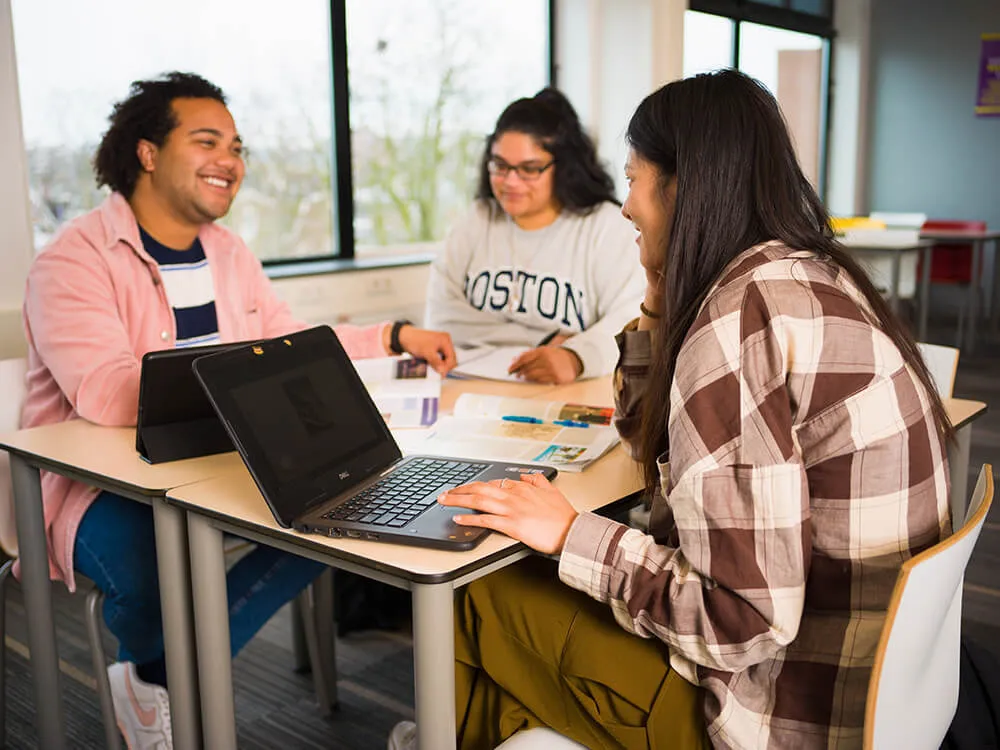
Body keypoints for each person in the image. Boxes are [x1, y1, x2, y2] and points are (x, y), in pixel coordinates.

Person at [389, 70, 953, 750]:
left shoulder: (738, 323)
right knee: (513, 660)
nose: (625, 206)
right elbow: (643, 437)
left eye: (633, 179)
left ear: (682, 186)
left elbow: (744, 620)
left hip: (773, 706)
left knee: (473, 593)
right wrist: (660, 292)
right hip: (863, 683)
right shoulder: (805, 272)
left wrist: (572, 534)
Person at [19, 71, 456, 750]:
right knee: (149, 578)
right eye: (207, 140)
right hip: (99, 482)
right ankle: (167, 673)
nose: (232, 160)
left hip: (216, 456)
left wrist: (391, 336)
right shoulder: (72, 261)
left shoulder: (228, 253)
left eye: (238, 145)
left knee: (344, 511)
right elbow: (107, 393)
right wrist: (249, 378)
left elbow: (289, 342)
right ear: (148, 152)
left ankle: (153, 678)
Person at [424, 87, 644, 384]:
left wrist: (576, 357)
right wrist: (547, 338)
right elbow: (440, 319)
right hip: (473, 396)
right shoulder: (476, 220)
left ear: (563, 167)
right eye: (500, 166)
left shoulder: (605, 226)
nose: (510, 181)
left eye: (529, 169)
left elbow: (632, 322)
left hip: (568, 395)